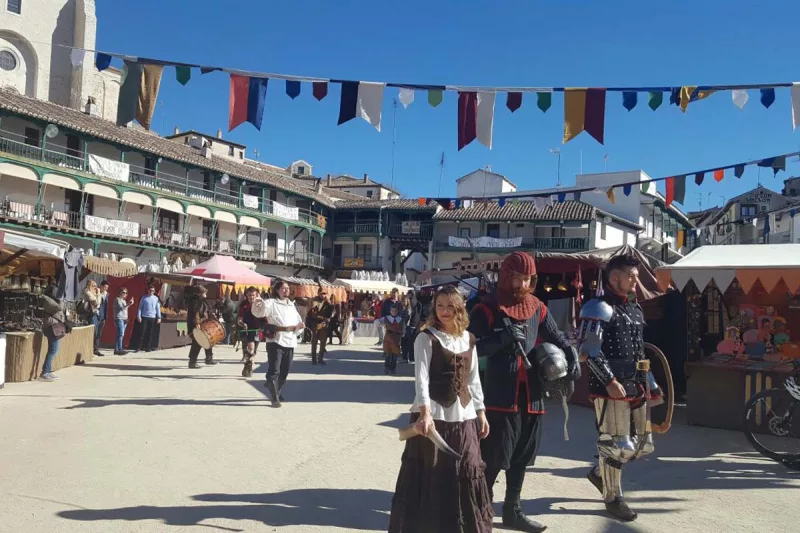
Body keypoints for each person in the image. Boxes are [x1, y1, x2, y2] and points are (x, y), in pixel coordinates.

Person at [469, 252, 580, 533]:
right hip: (498, 392)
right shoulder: (486, 307)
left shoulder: (537, 307)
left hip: (532, 393)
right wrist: (501, 339)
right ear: (506, 276)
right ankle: (480, 510)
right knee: (494, 456)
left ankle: (512, 510)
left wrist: (571, 352)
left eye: (527, 278)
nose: (521, 284)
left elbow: (557, 336)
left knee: (521, 456)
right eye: (516, 277)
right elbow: (470, 347)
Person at [388, 286, 492, 533]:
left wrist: (481, 411)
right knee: (433, 474)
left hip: (464, 415)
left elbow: (473, 378)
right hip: (435, 415)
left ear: (459, 308)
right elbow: (421, 378)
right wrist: (425, 413)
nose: (444, 311)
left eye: (449, 306)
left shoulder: (469, 338)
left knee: (467, 469)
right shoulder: (426, 337)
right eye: (439, 305)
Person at [577, 254, 660, 522]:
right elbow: (588, 350)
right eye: (631, 276)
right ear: (615, 278)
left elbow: (639, 351)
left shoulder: (634, 309)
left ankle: (599, 473)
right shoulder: (597, 307)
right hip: (609, 388)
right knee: (617, 445)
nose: (636, 280)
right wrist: (609, 381)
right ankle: (613, 498)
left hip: (636, 385)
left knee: (643, 445)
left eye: (636, 275)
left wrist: (652, 383)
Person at [262, 280, 304, 408]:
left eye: (287, 288)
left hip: (290, 341)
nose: (286, 290)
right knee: (274, 370)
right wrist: (258, 303)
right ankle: (274, 397)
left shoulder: (291, 305)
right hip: (276, 340)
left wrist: (300, 327)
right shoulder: (271, 302)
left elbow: (298, 321)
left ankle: (276, 390)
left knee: (285, 371)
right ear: (277, 290)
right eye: (283, 288)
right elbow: (260, 311)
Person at [186, 285, 218, 369]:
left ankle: (209, 358)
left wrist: (211, 314)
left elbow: (205, 311)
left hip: (202, 323)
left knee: (208, 340)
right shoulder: (195, 301)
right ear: (200, 293)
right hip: (197, 325)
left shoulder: (200, 300)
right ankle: (192, 362)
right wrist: (197, 323)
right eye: (204, 292)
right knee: (197, 343)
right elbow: (195, 313)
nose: (206, 293)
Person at [40, 284, 66, 381]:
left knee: (53, 350)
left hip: (53, 326)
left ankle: (48, 371)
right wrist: (61, 299)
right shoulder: (47, 299)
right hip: (51, 327)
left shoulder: (51, 299)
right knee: (52, 350)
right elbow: (59, 308)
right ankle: (45, 372)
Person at [239, 287, 265, 377]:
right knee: (250, 348)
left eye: (253, 295)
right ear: (246, 295)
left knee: (253, 351)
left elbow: (265, 316)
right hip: (247, 330)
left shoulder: (261, 304)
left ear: (256, 295)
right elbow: (239, 319)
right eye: (249, 295)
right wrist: (242, 324)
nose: (251, 297)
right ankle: (249, 367)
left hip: (258, 330)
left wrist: (264, 325)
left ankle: (248, 365)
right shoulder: (243, 305)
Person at [306, 288, 334, 366]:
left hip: (324, 324)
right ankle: (314, 359)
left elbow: (332, 311)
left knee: (323, 342)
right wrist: (323, 318)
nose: (323, 295)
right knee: (314, 341)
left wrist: (330, 303)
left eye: (325, 294)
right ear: (318, 293)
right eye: (322, 293)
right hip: (315, 323)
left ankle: (320, 358)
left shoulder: (327, 302)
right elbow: (314, 314)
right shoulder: (314, 301)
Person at [376, 303, 403, 375]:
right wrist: (380, 324)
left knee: (394, 356)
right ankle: (387, 368)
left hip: (396, 339)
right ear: (390, 311)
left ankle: (393, 368)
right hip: (388, 337)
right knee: (388, 355)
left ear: (397, 311)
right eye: (392, 311)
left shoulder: (400, 319)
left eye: (395, 311)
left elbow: (403, 329)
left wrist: (402, 335)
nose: (394, 312)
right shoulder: (386, 318)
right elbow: (378, 322)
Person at [136, 285, 162, 352]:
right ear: (148, 290)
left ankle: (147, 347)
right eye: (150, 290)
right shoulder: (144, 298)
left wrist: (159, 317)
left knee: (150, 333)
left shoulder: (156, 298)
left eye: (153, 291)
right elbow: (140, 308)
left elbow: (157, 308)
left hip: (152, 317)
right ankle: (139, 347)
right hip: (144, 316)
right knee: (142, 332)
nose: (151, 292)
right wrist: (138, 316)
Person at [81, 280, 103, 356]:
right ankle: (90, 350)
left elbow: (98, 303)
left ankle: (95, 349)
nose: (96, 287)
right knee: (92, 332)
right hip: (90, 314)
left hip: (96, 313)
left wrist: (97, 295)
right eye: (94, 286)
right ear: (90, 285)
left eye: (96, 286)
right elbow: (97, 303)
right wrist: (98, 294)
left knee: (96, 333)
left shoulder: (94, 292)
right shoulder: (87, 292)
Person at [403, 290, 423, 364]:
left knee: (410, 343)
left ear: (411, 294)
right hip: (409, 325)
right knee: (406, 342)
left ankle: (411, 358)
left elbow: (417, 314)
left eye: (408, 294)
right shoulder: (410, 302)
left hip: (413, 325)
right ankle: (407, 358)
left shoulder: (416, 303)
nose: (407, 295)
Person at [113, 288, 135, 355]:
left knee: (119, 334)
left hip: (124, 318)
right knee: (121, 334)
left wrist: (130, 304)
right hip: (119, 318)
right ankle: (120, 349)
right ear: (120, 292)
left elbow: (125, 309)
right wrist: (129, 304)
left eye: (126, 293)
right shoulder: (117, 299)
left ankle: (116, 349)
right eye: (123, 292)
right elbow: (121, 308)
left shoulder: (124, 301)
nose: (124, 294)